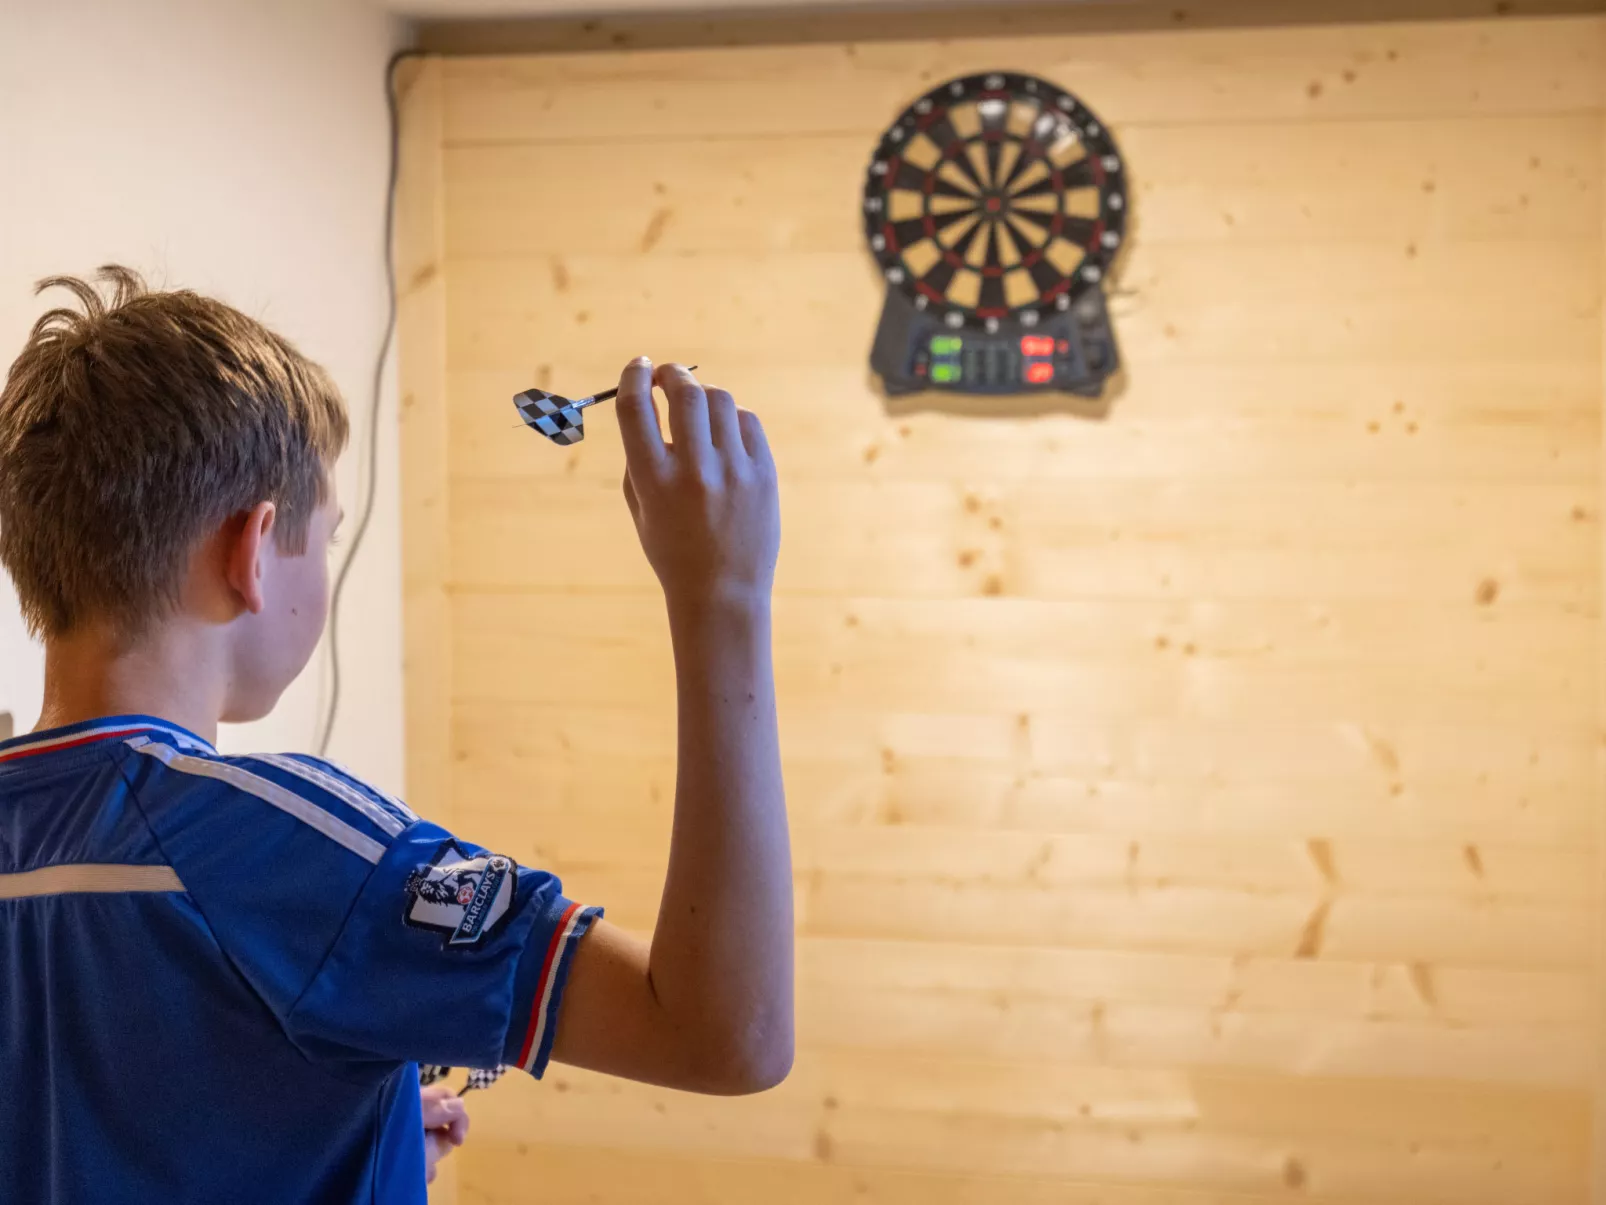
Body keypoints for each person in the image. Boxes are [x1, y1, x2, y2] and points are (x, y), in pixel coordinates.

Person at [0, 267, 792, 1203]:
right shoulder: (280, 848)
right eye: (327, 538)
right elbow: (723, 1032)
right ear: (252, 552)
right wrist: (723, 597)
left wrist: (349, 1138)